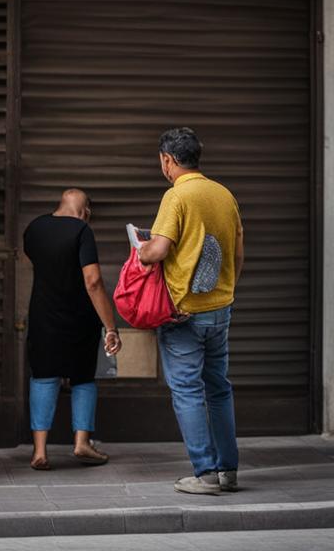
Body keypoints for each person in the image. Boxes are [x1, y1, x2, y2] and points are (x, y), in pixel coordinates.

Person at [139, 127, 244, 496]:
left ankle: (204, 474)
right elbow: (238, 253)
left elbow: (159, 250)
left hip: (184, 313)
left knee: (186, 390)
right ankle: (228, 471)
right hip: (220, 309)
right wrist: (225, 291)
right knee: (219, 388)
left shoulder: (176, 196)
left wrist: (140, 248)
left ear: (168, 160)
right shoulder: (223, 194)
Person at [23, 189, 122, 471]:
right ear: (86, 210)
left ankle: (39, 451)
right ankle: (82, 443)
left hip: (43, 313)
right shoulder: (81, 230)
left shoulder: (34, 228)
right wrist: (110, 326)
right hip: (80, 316)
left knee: (43, 375)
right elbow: (92, 281)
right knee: (83, 378)